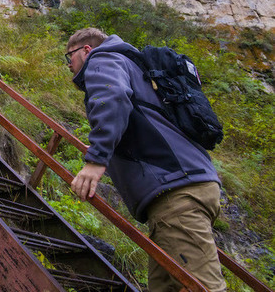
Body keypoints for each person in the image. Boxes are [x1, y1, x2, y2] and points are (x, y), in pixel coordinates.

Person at [66, 28, 226, 292]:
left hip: (177, 194)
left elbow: (113, 97)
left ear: (86, 50)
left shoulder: (103, 59)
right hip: (189, 186)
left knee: (204, 288)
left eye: (69, 56)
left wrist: (95, 161)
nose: (69, 65)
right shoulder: (135, 67)